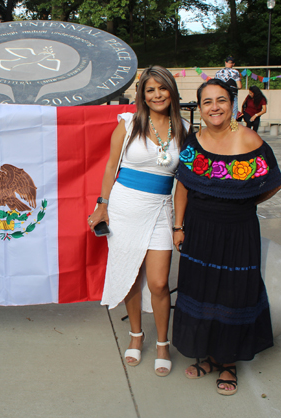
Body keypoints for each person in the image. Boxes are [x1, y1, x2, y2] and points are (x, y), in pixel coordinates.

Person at [172, 78, 281, 395]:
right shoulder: (195, 141)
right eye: (207, 102)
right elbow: (183, 185)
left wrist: (244, 202)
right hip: (199, 228)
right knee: (203, 291)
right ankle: (207, 356)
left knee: (233, 294)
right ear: (201, 108)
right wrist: (178, 226)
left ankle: (228, 362)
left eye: (220, 100)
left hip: (238, 232)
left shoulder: (249, 140)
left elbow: (274, 182)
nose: (214, 107)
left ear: (232, 104)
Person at [88, 65, 190, 377]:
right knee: (131, 276)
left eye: (162, 88)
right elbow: (110, 168)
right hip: (124, 207)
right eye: (150, 89)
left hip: (161, 210)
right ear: (142, 95)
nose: (157, 94)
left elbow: (183, 182)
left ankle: (162, 342)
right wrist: (102, 206)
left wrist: (178, 225)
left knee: (159, 282)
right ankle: (136, 335)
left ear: (171, 91)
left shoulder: (184, 129)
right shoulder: (128, 124)